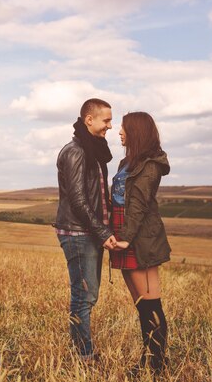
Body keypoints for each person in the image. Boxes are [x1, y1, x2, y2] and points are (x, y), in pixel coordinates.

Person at [53, 98, 118, 360]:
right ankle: (83, 357)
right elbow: (79, 201)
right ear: (89, 119)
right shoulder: (76, 151)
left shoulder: (92, 150)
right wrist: (104, 234)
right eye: (106, 120)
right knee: (84, 296)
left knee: (88, 295)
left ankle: (82, 351)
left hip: (88, 233)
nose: (110, 126)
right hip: (79, 233)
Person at [111, 112, 171, 376]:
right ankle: (147, 360)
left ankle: (156, 366)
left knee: (150, 305)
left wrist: (125, 238)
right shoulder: (128, 161)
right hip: (125, 232)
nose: (119, 132)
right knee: (140, 304)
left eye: (123, 128)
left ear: (135, 131)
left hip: (139, 237)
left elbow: (138, 205)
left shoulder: (149, 164)